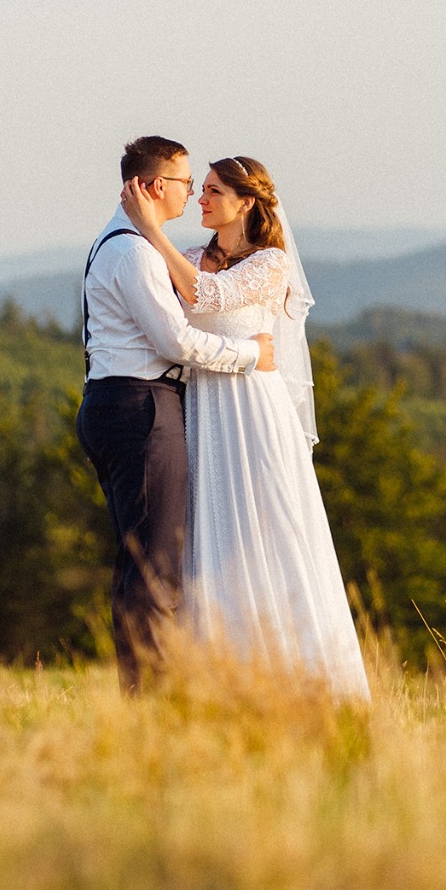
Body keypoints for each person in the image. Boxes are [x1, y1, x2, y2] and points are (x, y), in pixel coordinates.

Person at [120, 154, 371, 701]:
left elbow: (206, 297)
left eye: (213, 192)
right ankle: (219, 675)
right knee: (211, 531)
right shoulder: (188, 255)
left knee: (267, 528)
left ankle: (301, 676)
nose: (202, 200)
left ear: (247, 202)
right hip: (202, 412)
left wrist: (149, 232)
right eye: (201, 189)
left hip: (253, 413)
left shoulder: (270, 264)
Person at [76, 135, 275, 692]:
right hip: (140, 408)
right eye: (188, 182)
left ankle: (144, 686)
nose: (193, 193)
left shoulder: (114, 242)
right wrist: (252, 355)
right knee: (155, 564)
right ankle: (150, 694)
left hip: (117, 402)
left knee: (142, 555)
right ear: (156, 185)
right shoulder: (135, 251)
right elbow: (176, 343)